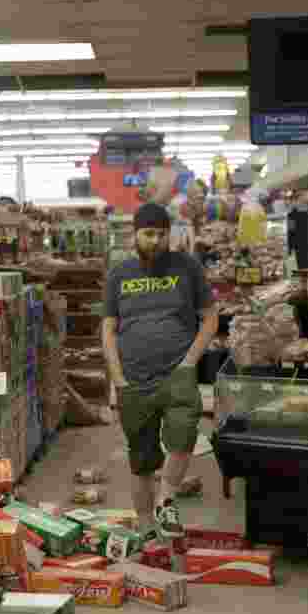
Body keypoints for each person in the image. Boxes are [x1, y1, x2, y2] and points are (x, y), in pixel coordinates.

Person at [102, 203, 219, 539]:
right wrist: (117, 377)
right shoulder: (119, 274)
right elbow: (108, 329)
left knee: (183, 437)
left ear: (170, 234)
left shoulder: (188, 268)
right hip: (133, 379)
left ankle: (166, 499)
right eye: (149, 234)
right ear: (135, 235)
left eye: (162, 234)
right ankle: (145, 526)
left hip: (177, 374)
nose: (155, 240)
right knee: (141, 460)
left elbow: (210, 317)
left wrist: (189, 363)